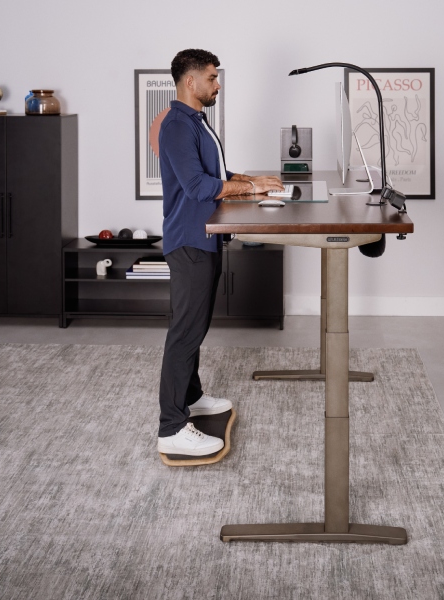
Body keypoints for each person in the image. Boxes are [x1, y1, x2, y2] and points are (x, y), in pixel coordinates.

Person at [156, 49, 284, 456]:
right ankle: (172, 427)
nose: (218, 84)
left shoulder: (196, 121)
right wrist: (248, 189)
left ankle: (191, 398)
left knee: (195, 327)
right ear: (190, 82)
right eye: (212, 78)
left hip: (205, 237)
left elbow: (216, 175)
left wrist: (252, 180)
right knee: (185, 333)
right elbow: (198, 186)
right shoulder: (177, 125)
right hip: (189, 240)